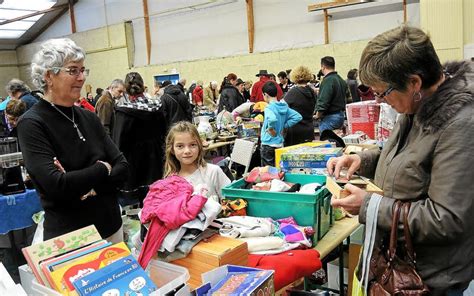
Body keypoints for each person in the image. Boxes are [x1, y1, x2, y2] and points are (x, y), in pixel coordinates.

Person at [327, 26, 473, 295]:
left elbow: (448, 219)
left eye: (383, 93)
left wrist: (369, 206)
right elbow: (409, 158)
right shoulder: (415, 104)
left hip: (428, 278)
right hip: (399, 263)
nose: (380, 100)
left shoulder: (461, 123)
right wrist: (365, 160)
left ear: (415, 83)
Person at [17, 38, 129, 242]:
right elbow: (56, 185)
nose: (81, 77)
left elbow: (122, 166)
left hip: (111, 227)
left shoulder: (88, 116)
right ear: (49, 76)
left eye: (83, 70)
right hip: (71, 238)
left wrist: (83, 186)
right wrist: (103, 169)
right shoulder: (32, 123)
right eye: (73, 70)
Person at [164, 121, 230, 202]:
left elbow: (231, 200)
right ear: (172, 150)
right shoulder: (170, 182)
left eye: (192, 145)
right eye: (180, 146)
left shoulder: (213, 172)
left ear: (199, 146)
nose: (187, 151)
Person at [260, 81, 302, 166]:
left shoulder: (268, 108)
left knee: (268, 172)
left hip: (268, 144)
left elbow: (272, 119)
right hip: (279, 143)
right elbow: (298, 117)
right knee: (279, 169)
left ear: (265, 95)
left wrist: (270, 128)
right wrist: (285, 125)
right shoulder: (284, 106)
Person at [284, 66, 316, 146]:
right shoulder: (312, 92)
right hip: (309, 128)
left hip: (295, 130)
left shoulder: (293, 92)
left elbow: (283, 107)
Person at [314, 56, 348, 133]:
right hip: (340, 115)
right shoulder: (341, 79)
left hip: (330, 117)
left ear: (323, 67)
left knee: (327, 142)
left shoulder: (328, 80)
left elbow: (324, 100)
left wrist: (317, 114)